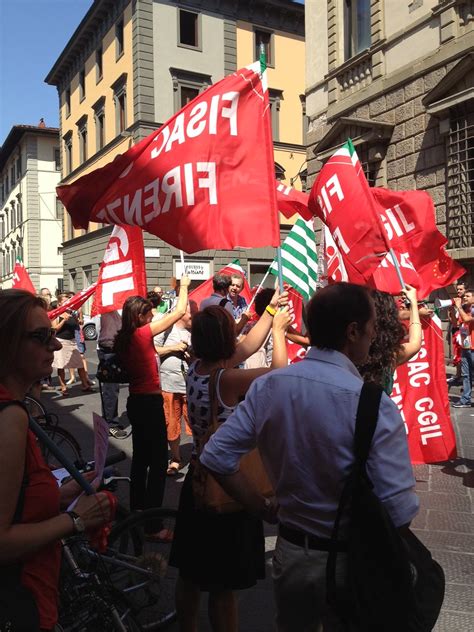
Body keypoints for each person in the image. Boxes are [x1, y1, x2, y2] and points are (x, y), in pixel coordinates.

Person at [199, 282, 419, 632]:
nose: (375, 334)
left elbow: (216, 456)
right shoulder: (374, 404)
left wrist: (260, 507)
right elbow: (399, 513)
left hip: (292, 554)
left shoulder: (270, 387)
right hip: (354, 562)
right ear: (352, 332)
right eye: (373, 326)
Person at [170, 288, 291, 632]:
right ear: (225, 339)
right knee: (224, 587)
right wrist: (280, 332)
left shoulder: (198, 368)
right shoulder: (227, 378)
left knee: (191, 573)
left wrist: (269, 311)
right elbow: (279, 374)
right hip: (225, 487)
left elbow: (249, 345)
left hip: (196, 482)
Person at [0, 289, 113, 632]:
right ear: (6, 343)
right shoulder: (10, 417)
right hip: (18, 603)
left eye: (51, 335)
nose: (54, 346)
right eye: (41, 336)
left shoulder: (15, 410)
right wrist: (77, 520)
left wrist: (58, 494)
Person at [114, 276, 191, 536]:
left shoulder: (125, 337)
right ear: (140, 316)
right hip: (148, 402)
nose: (152, 315)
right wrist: (183, 286)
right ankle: (153, 526)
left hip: (135, 401)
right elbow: (180, 310)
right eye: (149, 313)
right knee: (158, 463)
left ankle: (137, 511)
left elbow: (151, 354)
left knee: (141, 461)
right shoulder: (143, 333)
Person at [359, 284, 423, 394]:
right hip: (378, 410)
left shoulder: (345, 352)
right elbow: (415, 342)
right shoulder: (390, 356)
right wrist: (413, 303)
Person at [155, 304, 193, 474]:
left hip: (191, 386)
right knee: (171, 423)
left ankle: (199, 456)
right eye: (192, 311)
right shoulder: (166, 327)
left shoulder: (195, 331)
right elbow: (152, 350)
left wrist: (192, 355)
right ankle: (176, 458)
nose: (194, 314)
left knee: (196, 423)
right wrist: (173, 348)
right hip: (169, 384)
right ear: (182, 312)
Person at [51, 293, 93, 396]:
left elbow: (76, 326)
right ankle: (63, 387)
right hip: (61, 341)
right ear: (60, 303)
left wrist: (79, 320)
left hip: (72, 341)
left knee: (79, 364)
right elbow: (55, 328)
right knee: (61, 365)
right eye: (65, 301)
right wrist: (64, 320)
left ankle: (85, 385)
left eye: (68, 301)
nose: (67, 303)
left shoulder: (71, 313)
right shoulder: (57, 314)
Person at [97, 310, 127, 438]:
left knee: (111, 389)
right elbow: (104, 335)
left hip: (115, 349)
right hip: (109, 350)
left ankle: (109, 422)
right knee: (111, 389)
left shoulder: (115, 310)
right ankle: (110, 424)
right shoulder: (107, 310)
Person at [451, 290, 474, 408]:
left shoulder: (472, 310)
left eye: (468, 296)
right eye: (464, 295)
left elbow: (467, 319)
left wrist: (459, 307)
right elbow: (456, 324)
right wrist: (452, 310)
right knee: (466, 375)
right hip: (466, 346)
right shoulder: (463, 309)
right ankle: (465, 399)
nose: (464, 297)